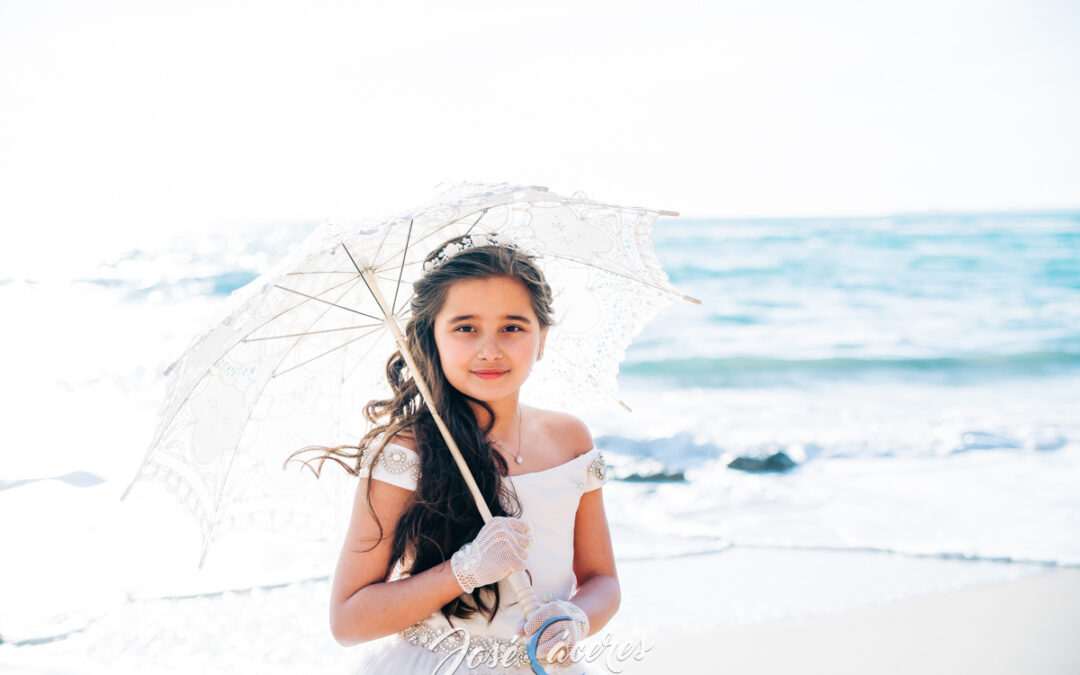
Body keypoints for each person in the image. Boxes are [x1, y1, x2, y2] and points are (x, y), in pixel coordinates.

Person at [290, 233, 619, 674]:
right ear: (431, 338)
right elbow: (349, 621)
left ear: (542, 338)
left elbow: (603, 580)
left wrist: (575, 618)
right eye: (465, 327)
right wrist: (465, 569)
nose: (489, 349)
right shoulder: (407, 453)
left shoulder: (570, 439)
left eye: (513, 327)